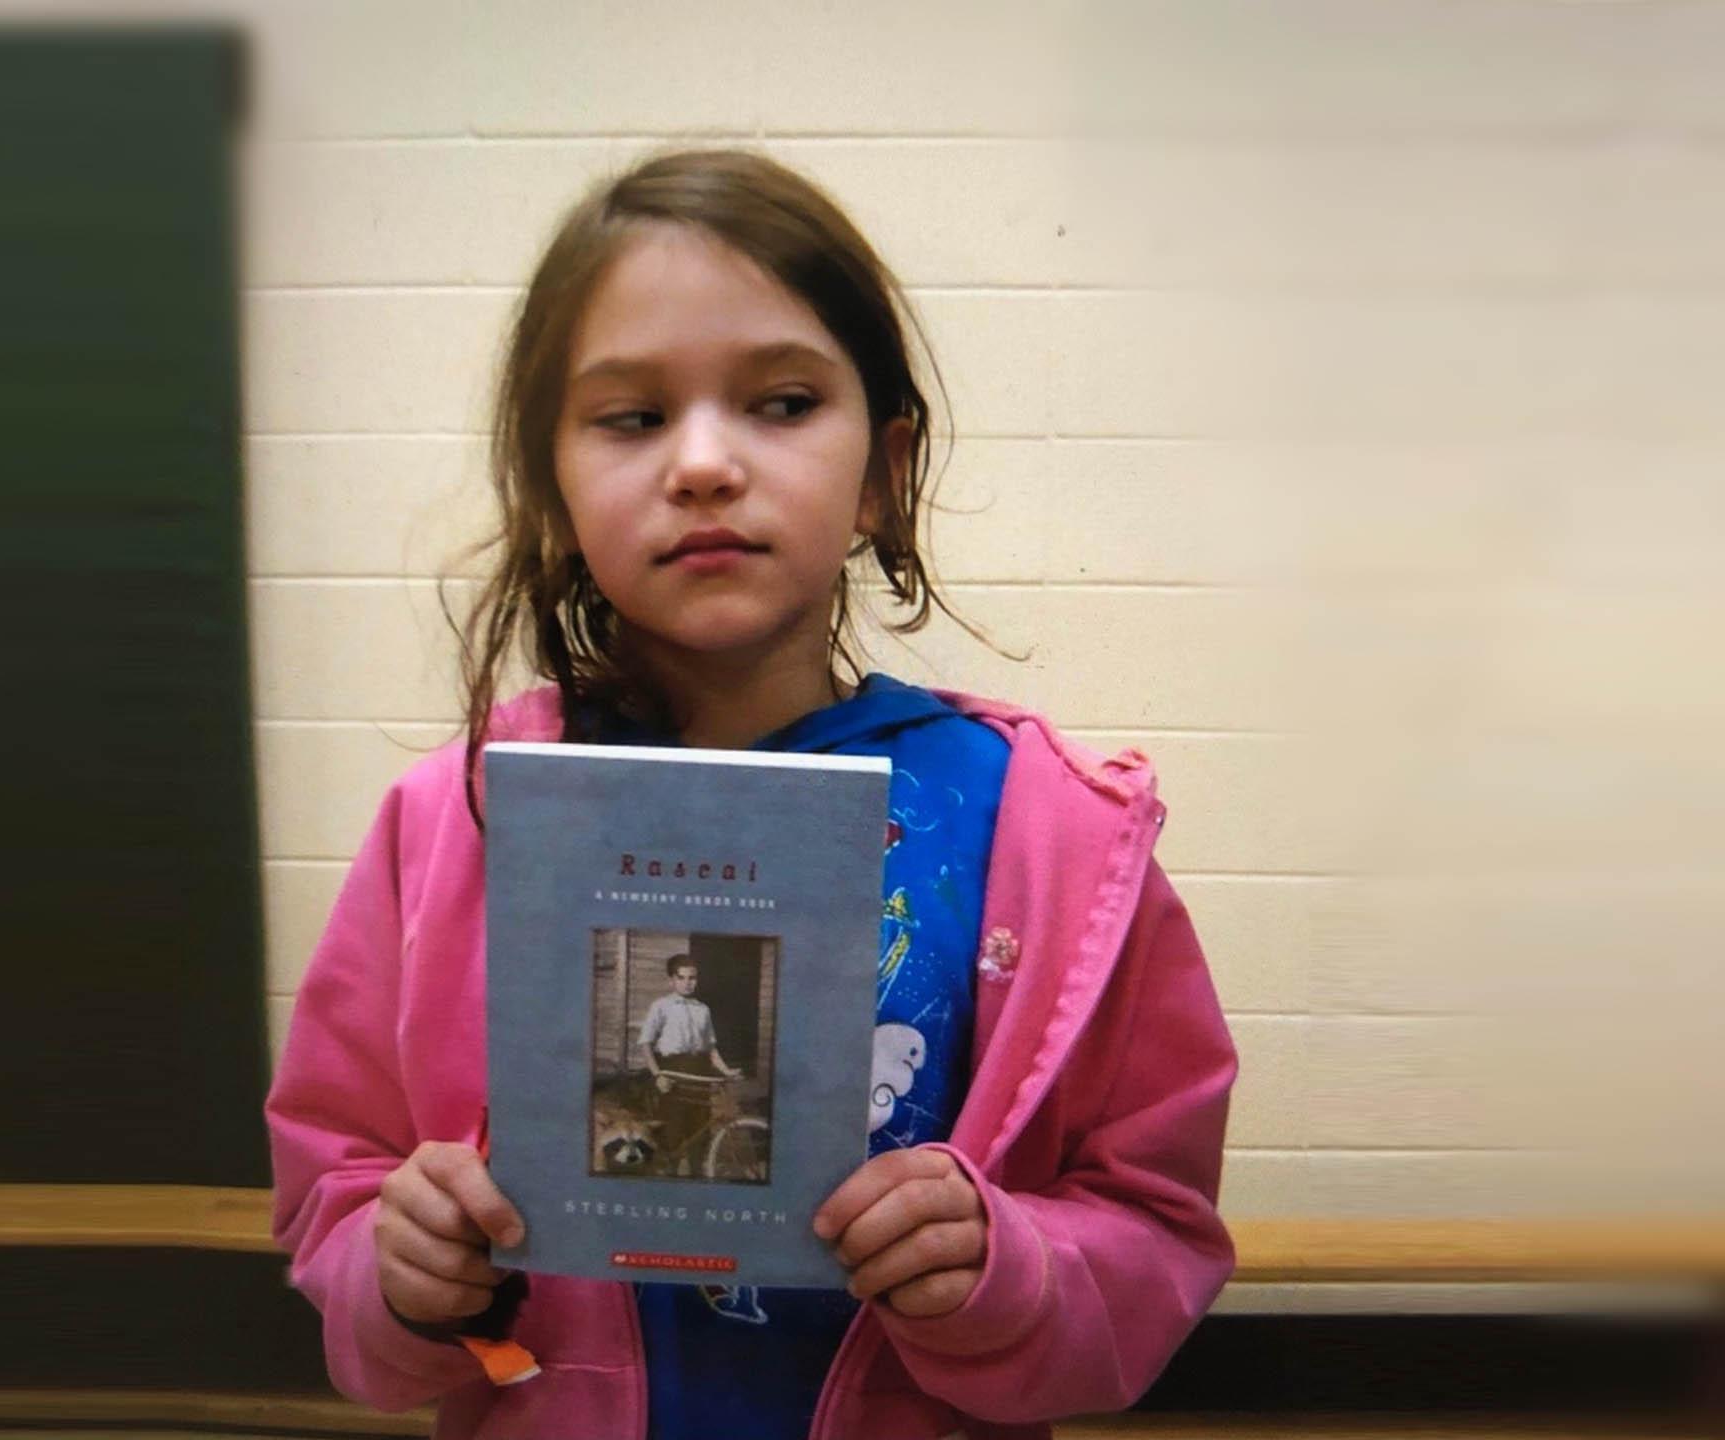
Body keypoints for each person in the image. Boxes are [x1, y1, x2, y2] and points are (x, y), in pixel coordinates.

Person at [266, 148, 1237, 1440]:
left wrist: (1009, 1271)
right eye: (631, 417)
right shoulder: (452, 823)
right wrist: (400, 1278)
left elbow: (1155, 1231)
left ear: (882, 473)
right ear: (553, 489)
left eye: (782, 402)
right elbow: (334, 1193)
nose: (705, 464)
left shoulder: (1045, 833)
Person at [636, 954, 743, 1173]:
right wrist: (658, 1075)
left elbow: (710, 1047)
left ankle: (697, 1174)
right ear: (671, 980)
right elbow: (645, 1043)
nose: (687, 983)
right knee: (672, 1132)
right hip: (673, 1072)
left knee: (700, 1130)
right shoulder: (661, 1006)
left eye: (692, 978)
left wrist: (726, 1070)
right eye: (681, 977)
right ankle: (670, 1175)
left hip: (699, 1072)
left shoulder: (703, 1009)